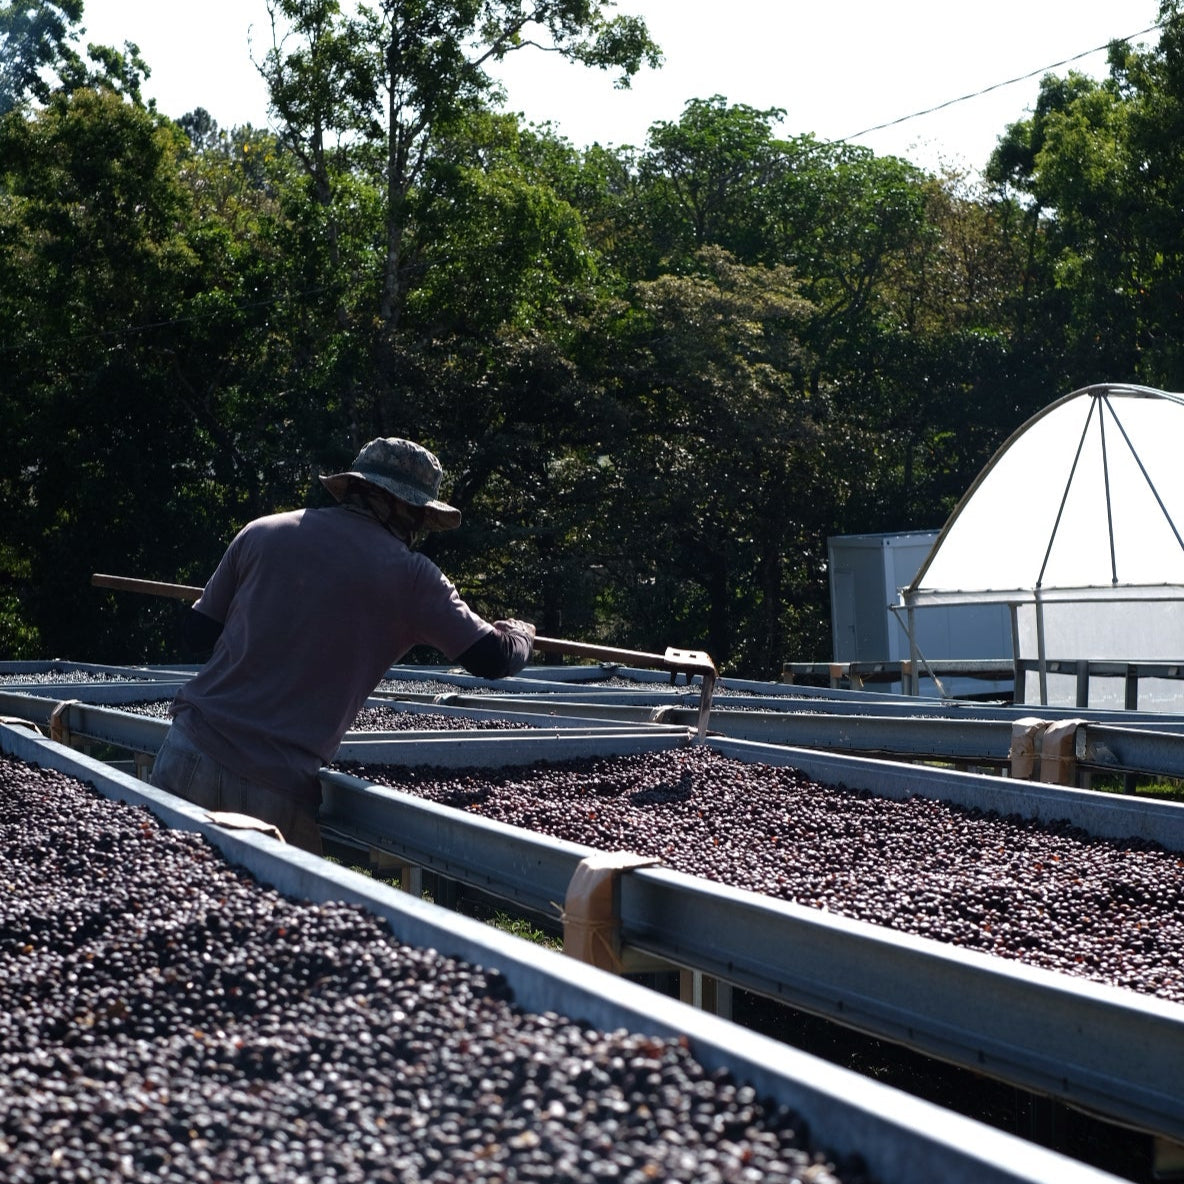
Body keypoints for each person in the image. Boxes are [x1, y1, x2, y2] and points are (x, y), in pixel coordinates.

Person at [150, 437, 536, 854]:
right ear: (403, 507)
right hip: (272, 786)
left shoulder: (263, 532)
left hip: (185, 752)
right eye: (420, 516)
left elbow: (194, 635)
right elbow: (493, 657)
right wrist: (522, 634)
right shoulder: (410, 577)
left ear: (354, 487)